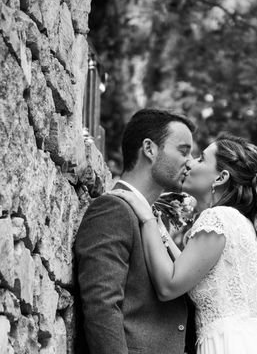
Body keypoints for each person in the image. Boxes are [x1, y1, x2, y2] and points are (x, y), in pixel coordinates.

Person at [112, 133, 257, 354]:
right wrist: (161, 230)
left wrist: (147, 219)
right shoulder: (239, 222)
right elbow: (189, 269)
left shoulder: (217, 218)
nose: (190, 163)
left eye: (201, 159)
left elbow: (169, 285)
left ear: (221, 178)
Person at [74, 108, 196, 354]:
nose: (191, 162)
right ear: (149, 149)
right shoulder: (112, 210)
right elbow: (102, 307)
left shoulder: (153, 220)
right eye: (183, 151)